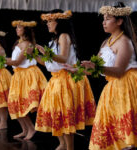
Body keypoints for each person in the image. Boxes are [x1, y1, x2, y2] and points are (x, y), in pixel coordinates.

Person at [35, 10, 96, 150]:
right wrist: (35, 56)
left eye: (51, 21)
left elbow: (62, 58)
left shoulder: (64, 36)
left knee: (65, 115)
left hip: (67, 79)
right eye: (47, 21)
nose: (48, 24)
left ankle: (70, 147)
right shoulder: (53, 41)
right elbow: (48, 63)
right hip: (56, 79)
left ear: (59, 22)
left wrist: (46, 53)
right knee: (55, 113)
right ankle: (62, 144)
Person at [81, 2, 137, 150]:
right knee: (111, 135)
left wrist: (96, 67)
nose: (103, 22)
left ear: (119, 21)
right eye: (103, 18)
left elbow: (118, 71)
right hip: (112, 88)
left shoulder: (124, 42)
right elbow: (96, 70)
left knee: (126, 138)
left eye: (108, 19)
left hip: (127, 86)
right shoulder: (106, 42)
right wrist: (77, 70)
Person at [6, 20, 47, 140]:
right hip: (18, 75)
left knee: (23, 104)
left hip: (27, 75)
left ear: (25, 30)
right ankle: (25, 129)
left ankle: (31, 129)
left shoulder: (28, 44)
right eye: (17, 27)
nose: (17, 29)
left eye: (19, 27)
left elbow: (17, 62)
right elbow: (14, 61)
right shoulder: (19, 42)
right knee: (14, 104)